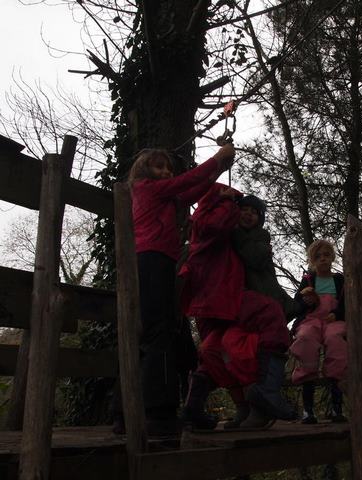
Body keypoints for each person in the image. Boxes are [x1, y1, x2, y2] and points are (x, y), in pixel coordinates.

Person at [124, 143, 235, 436]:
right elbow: (186, 182)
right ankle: (157, 413)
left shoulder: (165, 197)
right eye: (159, 167)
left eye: (168, 168)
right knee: (157, 331)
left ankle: (132, 412)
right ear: (145, 170)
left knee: (160, 329)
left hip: (161, 261)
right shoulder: (146, 188)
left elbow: (190, 192)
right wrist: (217, 159)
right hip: (151, 259)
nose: (166, 172)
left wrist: (216, 174)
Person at [179, 184, 297, 431]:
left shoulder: (255, 238)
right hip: (226, 303)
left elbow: (257, 260)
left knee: (228, 348)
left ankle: (255, 403)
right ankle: (244, 405)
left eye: (254, 212)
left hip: (242, 303)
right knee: (218, 350)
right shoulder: (219, 232)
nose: (248, 214)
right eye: (244, 209)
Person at [289, 240, 348, 424]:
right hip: (311, 319)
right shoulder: (308, 279)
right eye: (318, 256)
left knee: (336, 341)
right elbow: (298, 303)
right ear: (312, 260)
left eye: (326, 255)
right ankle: (308, 410)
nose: (323, 259)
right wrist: (306, 301)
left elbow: (347, 302)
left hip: (333, 321)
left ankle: (336, 408)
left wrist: (337, 314)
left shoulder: (340, 280)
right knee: (305, 338)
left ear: (332, 257)